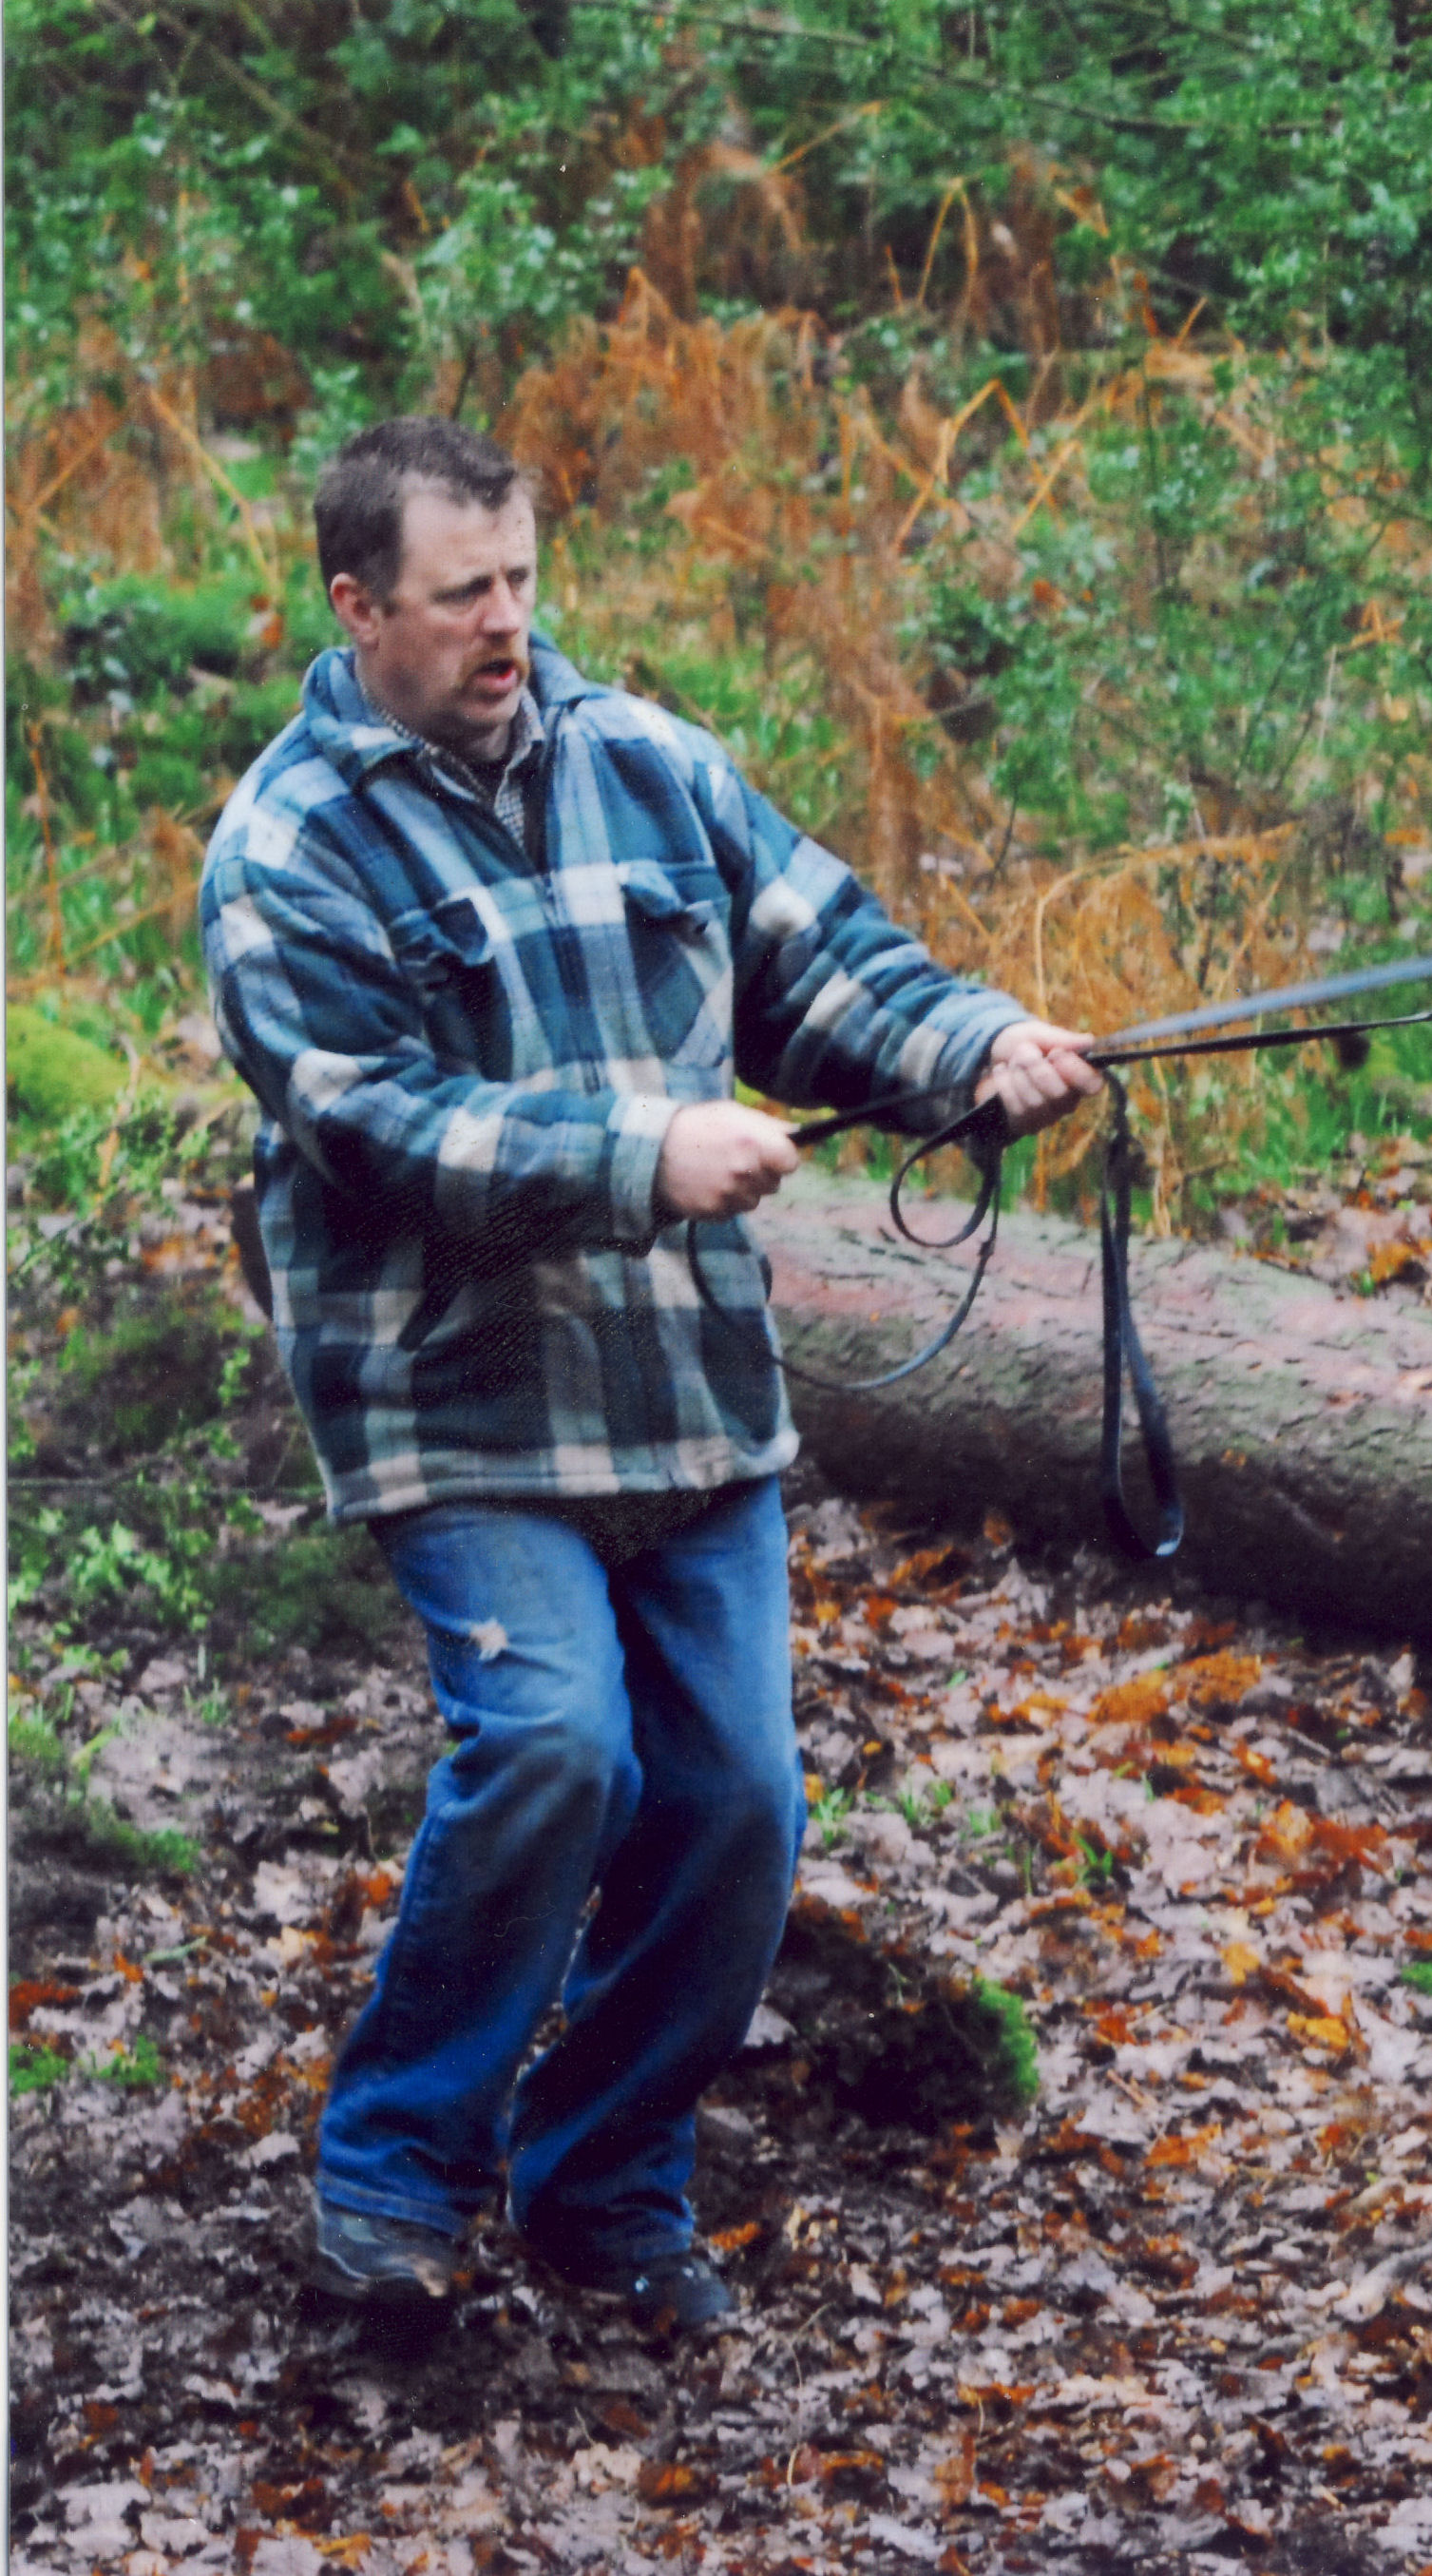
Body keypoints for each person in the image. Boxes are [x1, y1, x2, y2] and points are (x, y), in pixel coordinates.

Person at [200, 416, 1099, 2333]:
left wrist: (974, 1044)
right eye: (463, 596)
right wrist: (641, 1150)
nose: (509, 622)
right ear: (358, 606)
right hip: (457, 1408)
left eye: (522, 578)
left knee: (738, 1801)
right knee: (550, 1748)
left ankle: (607, 2186)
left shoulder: (649, 760)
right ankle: (393, 2180)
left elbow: (826, 955)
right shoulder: (284, 847)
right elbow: (378, 1126)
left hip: (687, 1393)